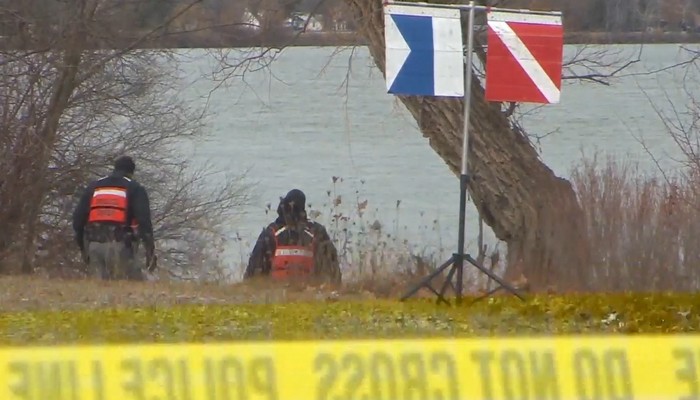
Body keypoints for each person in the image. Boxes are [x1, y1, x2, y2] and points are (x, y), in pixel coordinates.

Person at [72, 156, 156, 281]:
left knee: (99, 290)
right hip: (120, 246)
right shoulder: (134, 188)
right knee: (132, 288)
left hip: (94, 246)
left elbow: (77, 221)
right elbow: (144, 222)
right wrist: (150, 251)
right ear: (131, 172)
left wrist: (84, 249)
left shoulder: (94, 187)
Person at [244, 189, 341, 285]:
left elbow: (253, 272)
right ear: (303, 209)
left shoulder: (270, 233)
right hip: (309, 293)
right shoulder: (316, 232)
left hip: (275, 293)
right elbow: (333, 272)